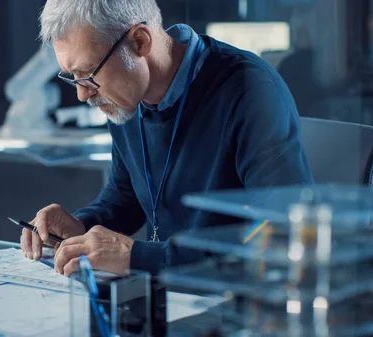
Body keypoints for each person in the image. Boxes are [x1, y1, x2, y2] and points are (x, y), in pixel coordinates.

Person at [20, 0, 314, 276]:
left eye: (88, 74)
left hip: (233, 301)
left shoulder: (248, 90)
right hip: (162, 295)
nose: (82, 94)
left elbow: (283, 233)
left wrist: (136, 256)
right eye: (73, 76)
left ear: (140, 42)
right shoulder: (126, 100)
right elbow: (126, 197)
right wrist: (81, 225)